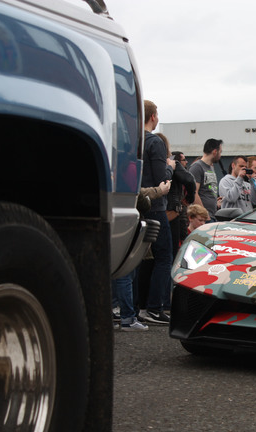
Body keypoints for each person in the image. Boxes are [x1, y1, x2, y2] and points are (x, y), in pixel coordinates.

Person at [113, 180, 171, 331]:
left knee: (116, 272)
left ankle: (115, 313)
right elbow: (140, 197)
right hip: (125, 226)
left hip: (114, 225)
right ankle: (127, 318)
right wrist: (158, 190)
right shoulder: (124, 178)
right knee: (125, 273)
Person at [139, 100, 174, 325]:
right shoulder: (154, 142)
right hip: (156, 206)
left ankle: (138, 306)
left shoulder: (132, 139)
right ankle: (154, 307)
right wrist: (171, 166)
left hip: (135, 203)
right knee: (164, 256)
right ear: (152, 117)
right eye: (157, 114)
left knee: (139, 258)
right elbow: (163, 178)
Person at [189, 138, 223, 221]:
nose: (221, 155)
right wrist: (204, 214)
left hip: (212, 215)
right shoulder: (197, 167)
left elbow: (207, 190)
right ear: (215, 152)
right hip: (203, 218)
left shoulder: (211, 167)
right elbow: (194, 192)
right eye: (220, 152)